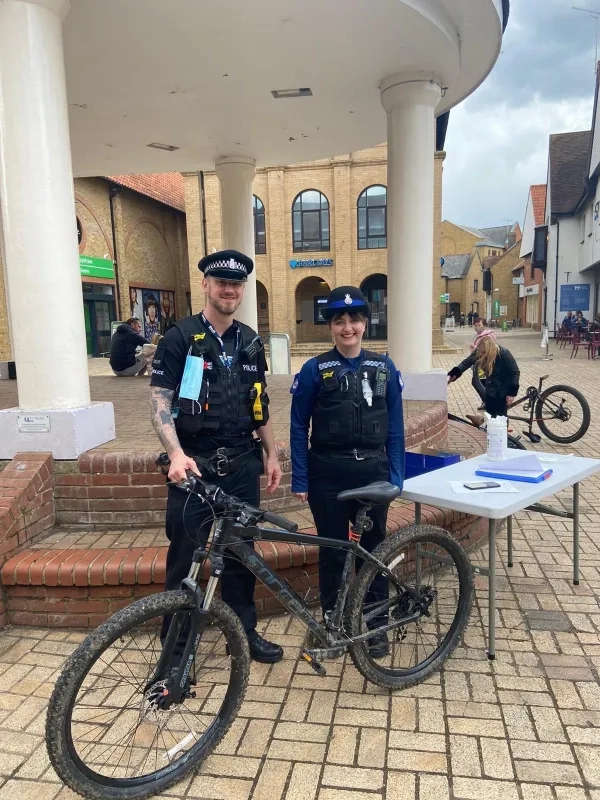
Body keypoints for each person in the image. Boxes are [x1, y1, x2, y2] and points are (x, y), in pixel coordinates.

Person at [150, 249, 283, 664]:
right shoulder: (180, 337)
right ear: (205, 285)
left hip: (243, 464)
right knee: (185, 558)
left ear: (242, 289)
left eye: (236, 283)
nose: (229, 289)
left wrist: (272, 453)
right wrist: (175, 455)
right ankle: (176, 650)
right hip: (195, 466)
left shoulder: (250, 340)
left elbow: (258, 402)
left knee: (242, 554)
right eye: (221, 282)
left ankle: (242, 635)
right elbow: (159, 401)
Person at [290, 286, 405, 659]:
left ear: (365, 323)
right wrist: (301, 478)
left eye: (354, 319)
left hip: (373, 472)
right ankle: (332, 625)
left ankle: (375, 626)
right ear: (330, 327)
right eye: (339, 321)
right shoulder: (313, 370)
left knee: (372, 551)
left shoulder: (384, 368)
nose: (347, 327)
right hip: (328, 474)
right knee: (333, 551)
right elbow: (297, 426)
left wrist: (397, 475)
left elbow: (395, 428)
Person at [448, 329, 520, 418]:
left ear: (489, 350)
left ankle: (501, 430)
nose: (481, 355)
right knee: (489, 414)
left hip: (503, 387)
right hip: (491, 386)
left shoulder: (504, 353)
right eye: (480, 352)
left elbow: (515, 373)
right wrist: (451, 375)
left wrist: (511, 393)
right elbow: (466, 363)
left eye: (483, 353)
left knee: (500, 417)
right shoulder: (479, 351)